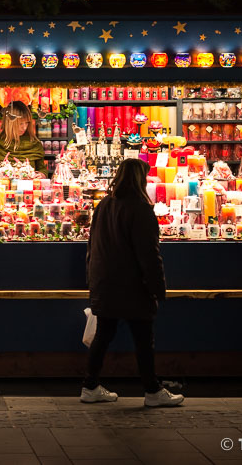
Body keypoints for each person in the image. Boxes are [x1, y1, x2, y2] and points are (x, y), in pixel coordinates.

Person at [82, 157, 183, 407]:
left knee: (103, 335)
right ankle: (152, 391)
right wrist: (157, 288)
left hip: (105, 281)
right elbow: (149, 254)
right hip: (132, 285)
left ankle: (90, 386)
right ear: (141, 179)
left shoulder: (104, 204)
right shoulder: (140, 209)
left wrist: (92, 279)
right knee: (143, 339)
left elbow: (92, 245)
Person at [0, 101, 46, 173]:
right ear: (10, 123)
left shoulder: (35, 143)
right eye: (20, 123)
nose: (24, 127)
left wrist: (42, 174)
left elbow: (42, 169)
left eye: (27, 123)